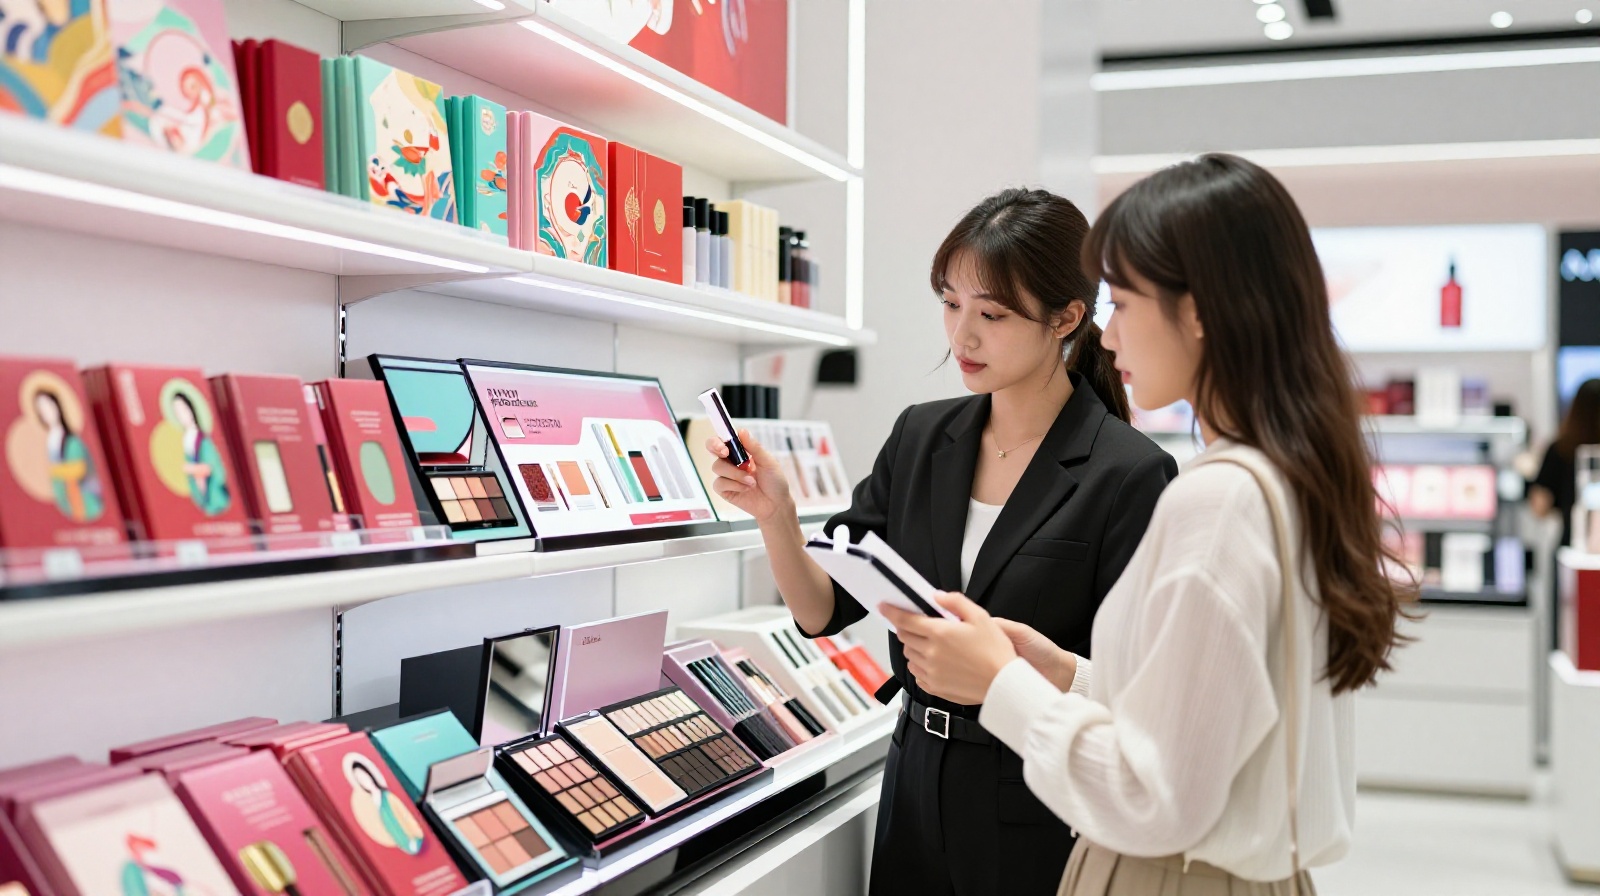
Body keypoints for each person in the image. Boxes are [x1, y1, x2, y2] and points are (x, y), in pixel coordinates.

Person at [881, 154, 1412, 895]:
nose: (1107, 338)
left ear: (1195, 311)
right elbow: (1208, 726)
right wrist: (1067, 675)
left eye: (1123, 305)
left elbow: (1151, 795)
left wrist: (1000, 683)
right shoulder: (1282, 480)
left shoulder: (1217, 501)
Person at [706, 188, 1177, 894]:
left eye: (991, 313)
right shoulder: (923, 437)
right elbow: (822, 610)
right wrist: (778, 518)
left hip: (1038, 797)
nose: (963, 336)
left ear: (1067, 317)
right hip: (916, 786)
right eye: (951, 304)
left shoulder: (1129, 473)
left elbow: (1134, 686)